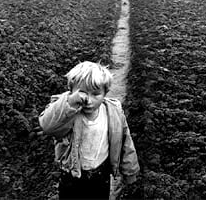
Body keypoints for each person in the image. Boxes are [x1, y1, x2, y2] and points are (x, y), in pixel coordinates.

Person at [39, 61, 140, 199]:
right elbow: (47, 126)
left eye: (96, 94)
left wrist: (130, 171)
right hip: (72, 176)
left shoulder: (114, 113)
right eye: (82, 93)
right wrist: (71, 102)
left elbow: (125, 142)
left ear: (105, 93)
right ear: (71, 91)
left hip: (101, 173)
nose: (89, 100)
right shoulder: (67, 112)